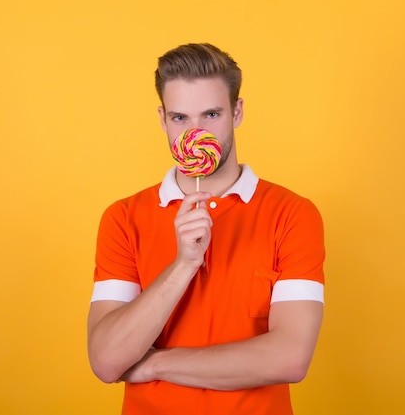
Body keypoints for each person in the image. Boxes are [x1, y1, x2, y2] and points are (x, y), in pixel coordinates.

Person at [87, 43, 325, 415]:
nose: (195, 133)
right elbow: (106, 359)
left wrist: (153, 364)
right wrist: (182, 264)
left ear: (237, 111)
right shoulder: (123, 218)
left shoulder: (293, 214)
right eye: (180, 118)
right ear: (163, 119)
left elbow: (290, 358)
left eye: (211, 114)